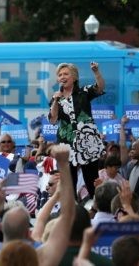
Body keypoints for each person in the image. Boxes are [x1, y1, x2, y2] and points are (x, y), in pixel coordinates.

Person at [48, 62, 106, 198]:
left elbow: (100, 88)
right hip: (66, 143)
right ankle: (72, 214)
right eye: (60, 75)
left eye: (66, 74)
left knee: (91, 180)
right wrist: (56, 100)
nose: (62, 77)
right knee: (69, 182)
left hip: (87, 141)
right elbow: (53, 119)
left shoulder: (84, 92)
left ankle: (97, 211)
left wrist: (96, 72)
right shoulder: (55, 98)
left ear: (74, 77)